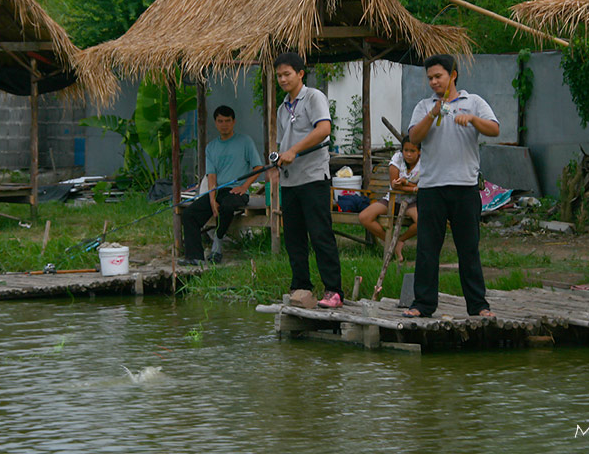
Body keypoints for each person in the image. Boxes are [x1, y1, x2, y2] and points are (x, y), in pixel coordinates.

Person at [403, 54, 500, 319]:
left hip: (464, 187)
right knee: (427, 248)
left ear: (453, 75)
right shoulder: (424, 106)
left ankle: (478, 305)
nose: (434, 82)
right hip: (432, 187)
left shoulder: (474, 102)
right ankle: (423, 304)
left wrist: (473, 120)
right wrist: (434, 112)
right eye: (430, 78)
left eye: (438, 76)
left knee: (468, 248)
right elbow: (414, 137)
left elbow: (494, 130)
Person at [272, 51, 344, 309]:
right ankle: (301, 286)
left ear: (300, 73)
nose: (282, 79)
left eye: (287, 74)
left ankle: (334, 291)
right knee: (294, 238)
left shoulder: (314, 97)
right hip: (290, 181)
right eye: (279, 75)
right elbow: (283, 143)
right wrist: (279, 158)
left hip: (314, 178)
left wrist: (294, 151)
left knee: (320, 234)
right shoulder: (283, 108)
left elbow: (324, 129)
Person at [180, 105, 263, 265]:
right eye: (220, 121)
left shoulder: (245, 141)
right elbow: (212, 176)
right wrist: (211, 199)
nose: (224, 124)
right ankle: (194, 257)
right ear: (215, 123)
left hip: (238, 192)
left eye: (227, 121)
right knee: (189, 215)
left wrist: (245, 187)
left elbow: (258, 168)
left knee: (227, 206)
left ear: (233, 122)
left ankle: (217, 245)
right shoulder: (211, 147)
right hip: (218, 191)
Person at [358, 136, 421, 261]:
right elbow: (394, 185)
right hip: (392, 199)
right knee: (364, 217)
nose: (408, 154)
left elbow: (424, 187)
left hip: (412, 202)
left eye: (412, 151)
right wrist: (414, 188)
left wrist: (407, 184)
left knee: (421, 222)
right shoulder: (397, 158)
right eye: (406, 150)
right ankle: (392, 241)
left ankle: (400, 240)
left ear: (419, 151)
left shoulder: (425, 162)